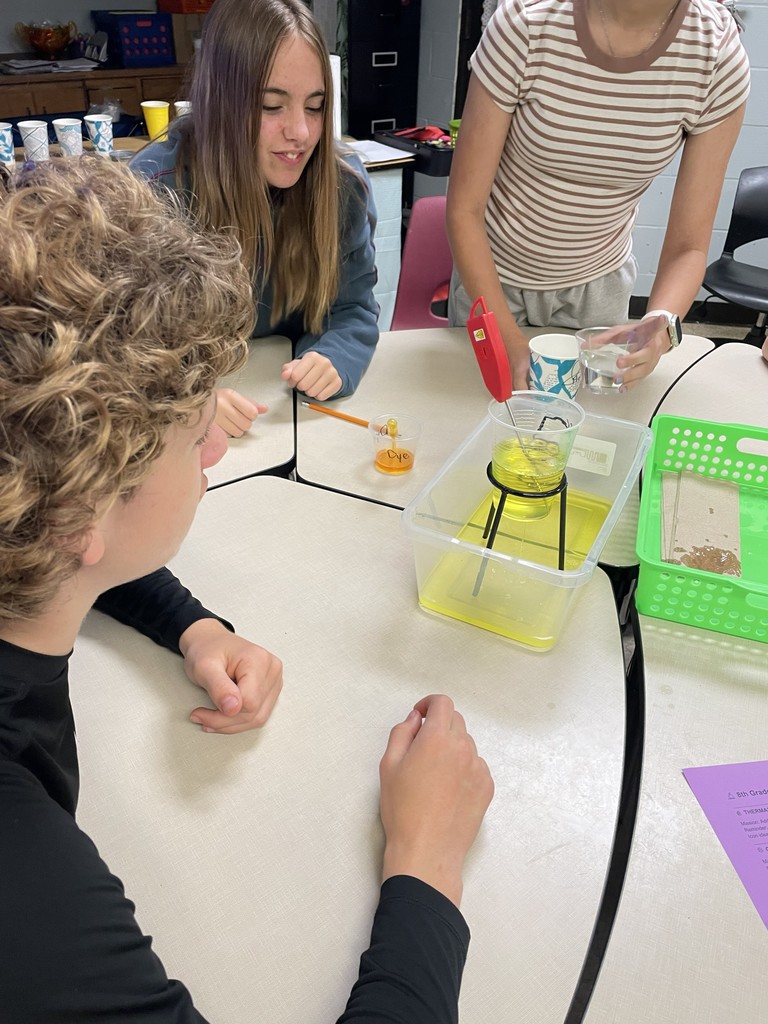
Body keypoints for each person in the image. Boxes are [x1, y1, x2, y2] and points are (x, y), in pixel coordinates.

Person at [0, 158, 494, 1023]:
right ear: (83, 504)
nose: (215, 453)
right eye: (195, 436)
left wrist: (192, 626)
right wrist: (428, 859)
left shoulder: (31, 520)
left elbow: (59, 521)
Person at [447, 0, 751, 392]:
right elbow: (463, 210)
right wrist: (505, 334)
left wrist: (660, 326)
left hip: (599, 292)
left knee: (587, 434)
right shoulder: (527, 23)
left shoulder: (716, 54)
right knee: (477, 417)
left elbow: (689, 247)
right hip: (491, 281)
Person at [131, 0, 380, 438]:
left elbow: (353, 309)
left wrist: (337, 356)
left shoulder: (342, 188)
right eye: (271, 106)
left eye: (316, 106)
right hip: (195, 435)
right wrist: (191, 394)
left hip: (292, 419)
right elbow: (126, 345)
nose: (301, 133)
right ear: (219, 102)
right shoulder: (154, 192)